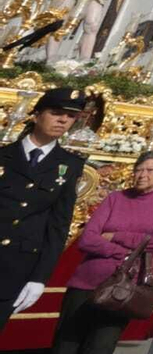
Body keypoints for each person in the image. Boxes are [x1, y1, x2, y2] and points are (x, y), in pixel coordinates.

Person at [45, 149, 153, 354]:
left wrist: (114, 235)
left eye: (149, 170)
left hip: (123, 287)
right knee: (65, 348)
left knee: (98, 353)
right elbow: (88, 238)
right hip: (87, 281)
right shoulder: (115, 198)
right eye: (138, 170)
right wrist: (122, 252)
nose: (142, 175)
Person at [0, 87, 88, 334]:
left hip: (16, 268)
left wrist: (40, 277)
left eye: (70, 116)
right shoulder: (5, 155)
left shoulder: (69, 165)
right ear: (37, 114)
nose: (63, 120)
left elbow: (58, 226)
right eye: (56, 113)